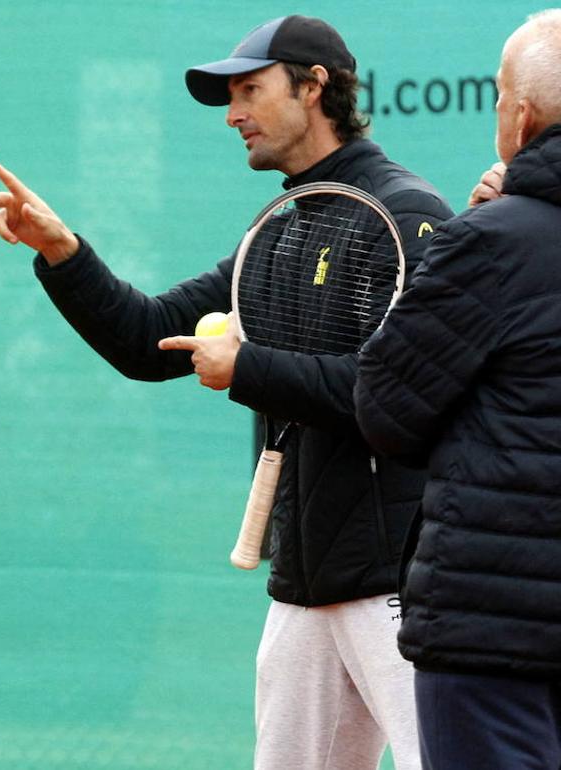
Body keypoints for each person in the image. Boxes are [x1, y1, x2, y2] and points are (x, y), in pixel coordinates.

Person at [0, 15, 452, 770]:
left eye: (250, 90)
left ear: (314, 86)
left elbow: (398, 394)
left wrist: (248, 368)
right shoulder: (281, 229)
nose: (233, 113)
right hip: (304, 586)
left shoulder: (406, 214)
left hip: (399, 583)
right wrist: (61, 252)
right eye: (229, 96)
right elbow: (149, 340)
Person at [355, 9, 561, 769]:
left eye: (500, 94)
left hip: (492, 635)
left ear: (521, 116)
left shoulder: (489, 244)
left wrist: (478, 237)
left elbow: (384, 406)